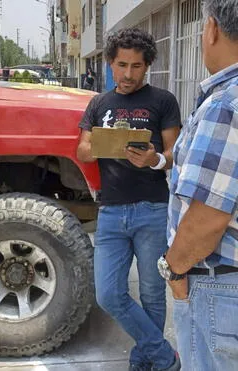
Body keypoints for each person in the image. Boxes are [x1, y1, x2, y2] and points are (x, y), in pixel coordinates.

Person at [76, 28, 181, 371]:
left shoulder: (163, 100)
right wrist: (103, 147)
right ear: (110, 63)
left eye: (137, 66)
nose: (128, 74)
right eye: (121, 65)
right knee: (108, 295)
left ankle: (144, 358)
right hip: (110, 211)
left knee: (152, 293)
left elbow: (174, 154)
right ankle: (163, 355)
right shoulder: (99, 103)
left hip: (152, 208)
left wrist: (155, 160)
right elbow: (82, 149)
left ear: (147, 66)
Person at [160, 1, 238, 370]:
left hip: (219, 286)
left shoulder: (226, 104)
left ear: (211, 29)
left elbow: (208, 215)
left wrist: (174, 270)